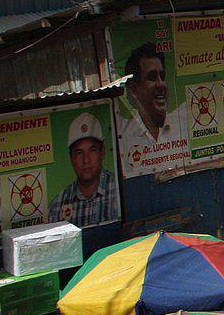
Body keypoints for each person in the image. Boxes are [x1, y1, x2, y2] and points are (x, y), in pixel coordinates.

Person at [118, 42, 190, 173]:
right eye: (152, 78)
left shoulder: (184, 125)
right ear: (134, 89)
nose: (160, 84)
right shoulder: (125, 138)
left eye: (162, 77)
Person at [47, 112, 119, 226]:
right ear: (71, 158)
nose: (86, 160)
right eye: (79, 152)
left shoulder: (119, 190)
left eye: (92, 150)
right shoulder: (57, 205)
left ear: (103, 152)